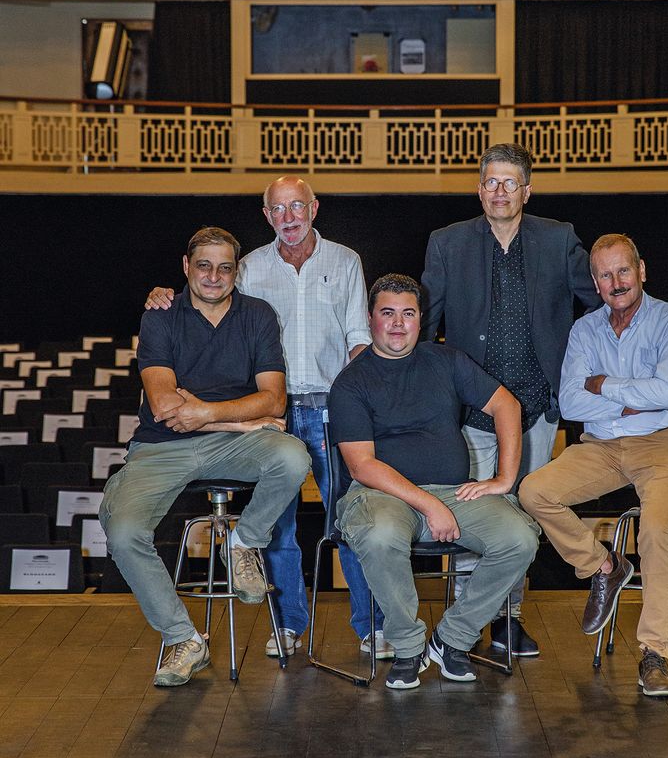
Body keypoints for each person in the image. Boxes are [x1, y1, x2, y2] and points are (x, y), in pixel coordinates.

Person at [144, 177, 390, 660]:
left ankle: (371, 627)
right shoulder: (250, 267)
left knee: (351, 519)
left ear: (314, 208)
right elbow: (208, 294)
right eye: (278, 209)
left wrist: (357, 401)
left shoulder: (345, 261)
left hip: (331, 407)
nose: (289, 217)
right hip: (265, 414)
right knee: (276, 528)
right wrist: (163, 294)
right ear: (266, 215)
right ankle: (289, 625)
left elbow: (360, 336)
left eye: (297, 206)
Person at [101, 227, 311, 688]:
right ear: (185, 267)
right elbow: (164, 408)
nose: (214, 276)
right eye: (203, 265)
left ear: (238, 271)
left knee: (293, 456)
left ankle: (243, 544)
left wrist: (208, 414)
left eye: (225, 267)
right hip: (162, 446)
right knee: (122, 530)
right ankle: (183, 637)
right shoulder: (160, 315)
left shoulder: (257, 315)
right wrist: (240, 421)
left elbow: (274, 402)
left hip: (232, 447)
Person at [420, 142, 600, 656]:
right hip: (472, 410)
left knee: (521, 517)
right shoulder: (447, 243)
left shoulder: (559, 239)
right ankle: (465, 624)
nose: (499, 192)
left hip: (537, 407)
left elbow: (600, 303)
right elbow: (425, 322)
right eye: (491, 183)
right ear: (480, 190)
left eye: (509, 183)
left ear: (527, 190)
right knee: (473, 518)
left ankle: (508, 620)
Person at [329, 274, 540, 690]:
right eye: (387, 313)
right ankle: (407, 647)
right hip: (380, 495)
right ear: (370, 319)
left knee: (519, 539)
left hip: (453, 492)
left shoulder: (447, 361)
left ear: (420, 320)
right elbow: (362, 467)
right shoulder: (351, 381)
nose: (397, 323)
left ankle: (452, 640)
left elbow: (507, 406)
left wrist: (504, 478)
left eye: (408, 314)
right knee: (379, 534)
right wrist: (429, 504)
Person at [519, 234, 668, 698]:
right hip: (603, 445)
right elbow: (572, 401)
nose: (616, 282)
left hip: (667, 443)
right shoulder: (585, 330)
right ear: (595, 282)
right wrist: (625, 401)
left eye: (623, 271)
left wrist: (605, 385)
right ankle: (604, 567)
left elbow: (665, 394)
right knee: (533, 491)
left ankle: (654, 655)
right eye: (605, 274)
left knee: (656, 528)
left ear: (642, 270)